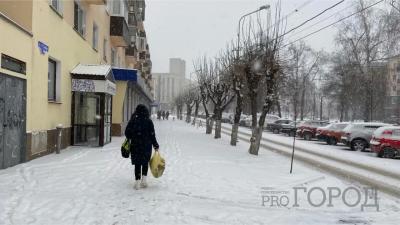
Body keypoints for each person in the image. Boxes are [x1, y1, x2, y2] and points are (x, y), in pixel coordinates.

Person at [125, 104, 159, 190]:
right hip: (146, 146)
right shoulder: (149, 121)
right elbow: (152, 135)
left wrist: (133, 135)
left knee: (137, 163)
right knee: (144, 162)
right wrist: (155, 145)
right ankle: (144, 180)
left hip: (135, 145)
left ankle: (137, 182)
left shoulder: (133, 121)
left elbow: (127, 133)